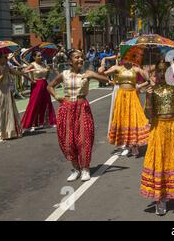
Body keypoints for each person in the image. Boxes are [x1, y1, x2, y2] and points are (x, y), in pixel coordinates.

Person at [47, 49, 111, 182]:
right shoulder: (64, 74)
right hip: (66, 108)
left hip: (82, 108)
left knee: (84, 138)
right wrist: (57, 97)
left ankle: (85, 169)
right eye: (77, 57)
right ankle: (76, 168)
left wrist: (98, 72)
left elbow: (106, 80)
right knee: (68, 141)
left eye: (81, 57)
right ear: (70, 61)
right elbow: (50, 86)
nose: (80, 59)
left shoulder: (87, 73)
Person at [140, 61, 174, 215]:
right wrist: (148, 98)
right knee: (159, 162)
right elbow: (148, 116)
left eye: (165, 71)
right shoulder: (152, 91)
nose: (162, 74)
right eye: (159, 71)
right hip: (159, 128)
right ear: (155, 74)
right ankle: (160, 199)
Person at [103, 60, 151, 157]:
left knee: (133, 119)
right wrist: (108, 78)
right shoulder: (117, 68)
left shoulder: (136, 69)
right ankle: (127, 145)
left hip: (132, 95)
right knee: (122, 119)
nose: (127, 59)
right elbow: (102, 74)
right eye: (125, 57)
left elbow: (149, 80)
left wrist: (139, 86)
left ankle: (134, 145)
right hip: (121, 96)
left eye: (130, 57)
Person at [21, 51, 57, 132]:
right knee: (34, 103)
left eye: (41, 55)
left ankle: (46, 122)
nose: (41, 57)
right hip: (36, 85)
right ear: (34, 57)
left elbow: (46, 76)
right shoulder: (32, 64)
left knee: (47, 102)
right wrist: (31, 79)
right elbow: (23, 72)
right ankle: (30, 124)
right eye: (38, 56)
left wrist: (48, 71)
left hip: (44, 84)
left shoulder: (44, 64)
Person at [0, 52, 25, 144]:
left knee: (8, 111)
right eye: (4, 57)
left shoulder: (6, 66)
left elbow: (15, 72)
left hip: (7, 91)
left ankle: (8, 132)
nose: (6, 59)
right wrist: (3, 71)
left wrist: (24, 72)